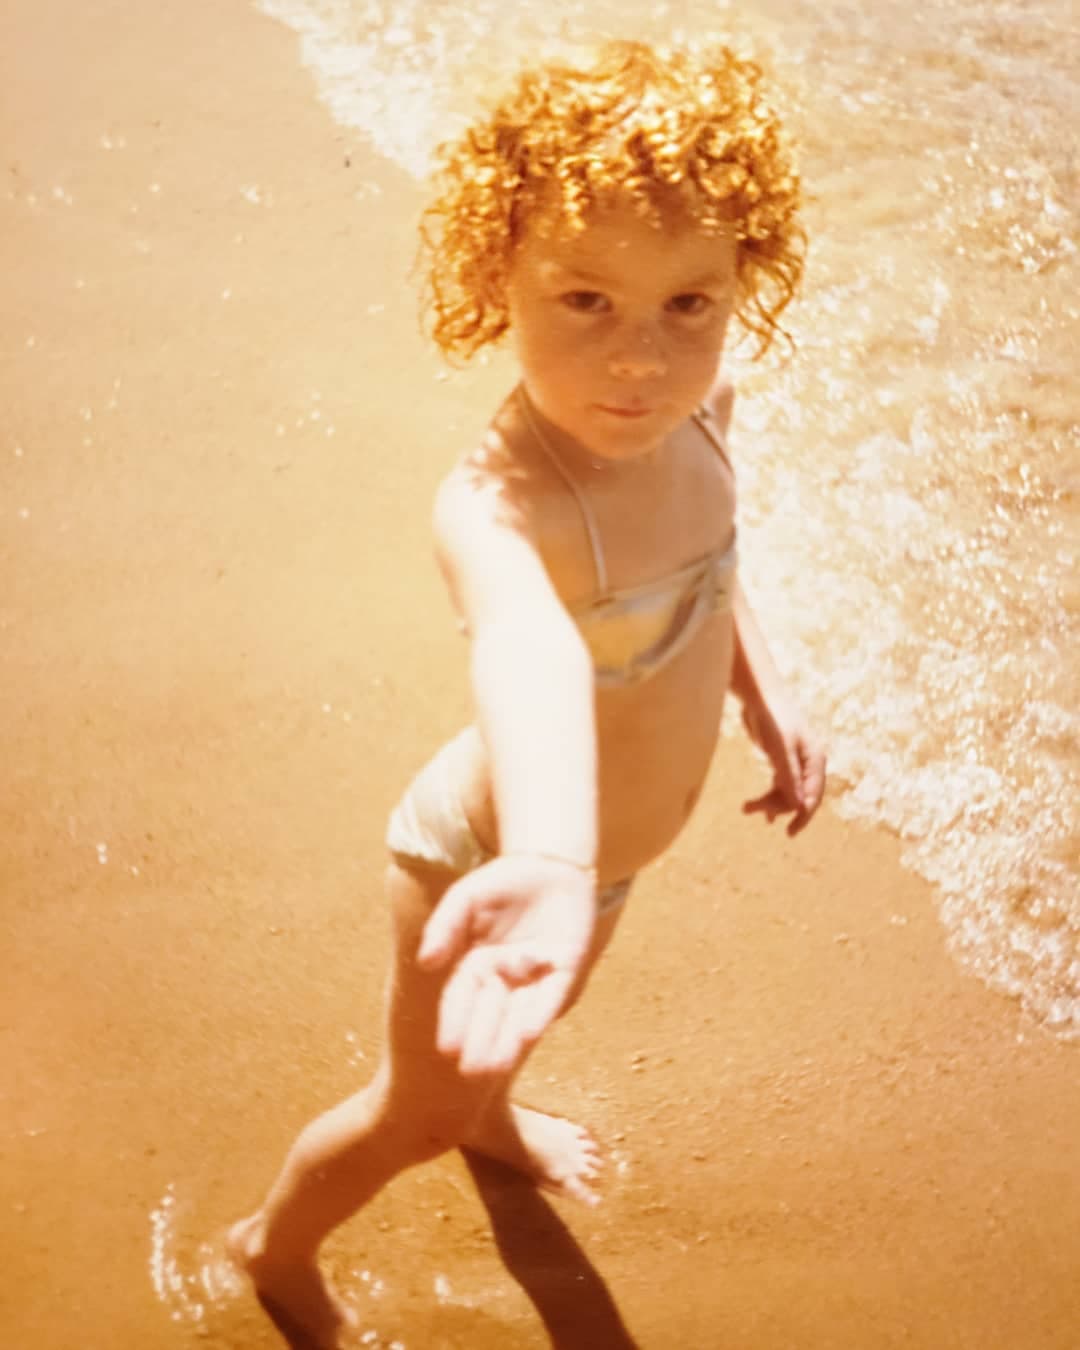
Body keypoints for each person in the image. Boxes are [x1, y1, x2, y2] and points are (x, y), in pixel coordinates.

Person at [228, 38, 826, 1346]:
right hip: (493, 861)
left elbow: (717, 564)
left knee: (523, 1025)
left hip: (594, 870)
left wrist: (765, 694)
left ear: (743, 283)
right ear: (494, 273)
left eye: (689, 303)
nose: (641, 360)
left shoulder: (705, 408)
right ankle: (274, 1247)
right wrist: (551, 852)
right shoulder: (500, 507)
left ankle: (493, 1118)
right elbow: (529, 651)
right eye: (586, 299)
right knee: (410, 1113)